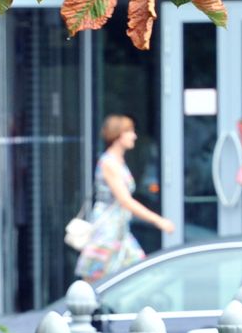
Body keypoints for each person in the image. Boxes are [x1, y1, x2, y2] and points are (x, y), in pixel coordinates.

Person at [75, 114, 175, 283]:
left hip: (120, 230)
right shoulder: (109, 163)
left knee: (136, 275)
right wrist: (158, 221)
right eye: (129, 131)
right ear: (118, 134)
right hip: (107, 231)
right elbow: (125, 200)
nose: (134, 136)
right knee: (94, 280)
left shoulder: (118, 161)